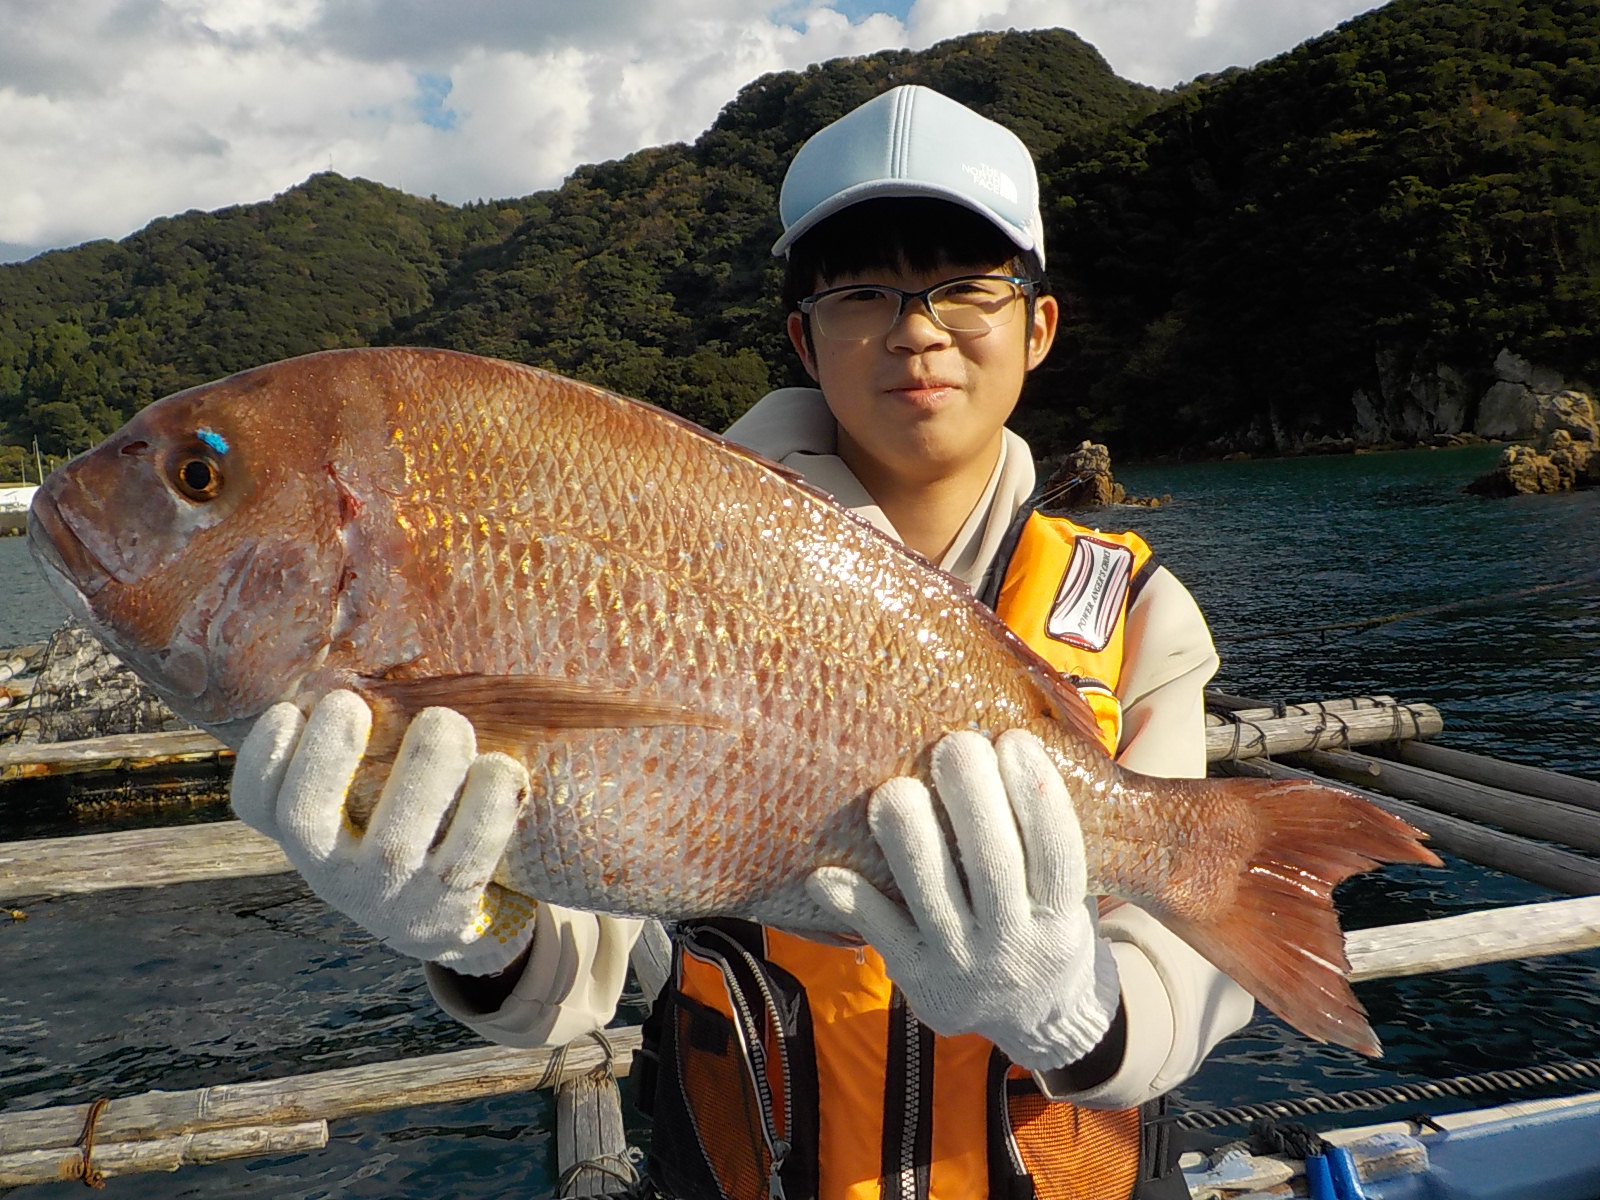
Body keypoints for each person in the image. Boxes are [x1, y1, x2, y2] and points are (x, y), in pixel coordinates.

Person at [229, 85, 1254, 1199]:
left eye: (966, 286)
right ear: (803, 338)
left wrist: (1072, 1007)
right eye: (862, 292)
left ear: (1036, 325)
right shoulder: (653, 555)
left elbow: (1190, 982)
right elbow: (577, 976)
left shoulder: (1136, 612)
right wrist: (477, 932)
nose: (916, 326)